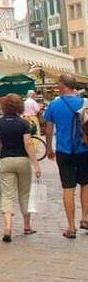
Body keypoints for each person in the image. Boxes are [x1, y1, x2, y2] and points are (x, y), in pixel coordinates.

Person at [43, 74, 88, 239]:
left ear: (62, 85)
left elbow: (48, 130)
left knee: (68, 188)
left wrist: (49, 148)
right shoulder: (85, 103)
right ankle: (85, 218)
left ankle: (71, 227)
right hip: (84, 149)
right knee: (86, 184)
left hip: (64, 150)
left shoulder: (54, 105)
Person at [0, 93, 43, 242]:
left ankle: (8, 227)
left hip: (6, 160)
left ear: (4, 106)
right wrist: (36, 165)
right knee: (25, 194)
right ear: (19, 106)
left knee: (7, 195)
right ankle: (27, 226)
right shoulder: (23, 123)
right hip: (22, 161)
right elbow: (28, 144)